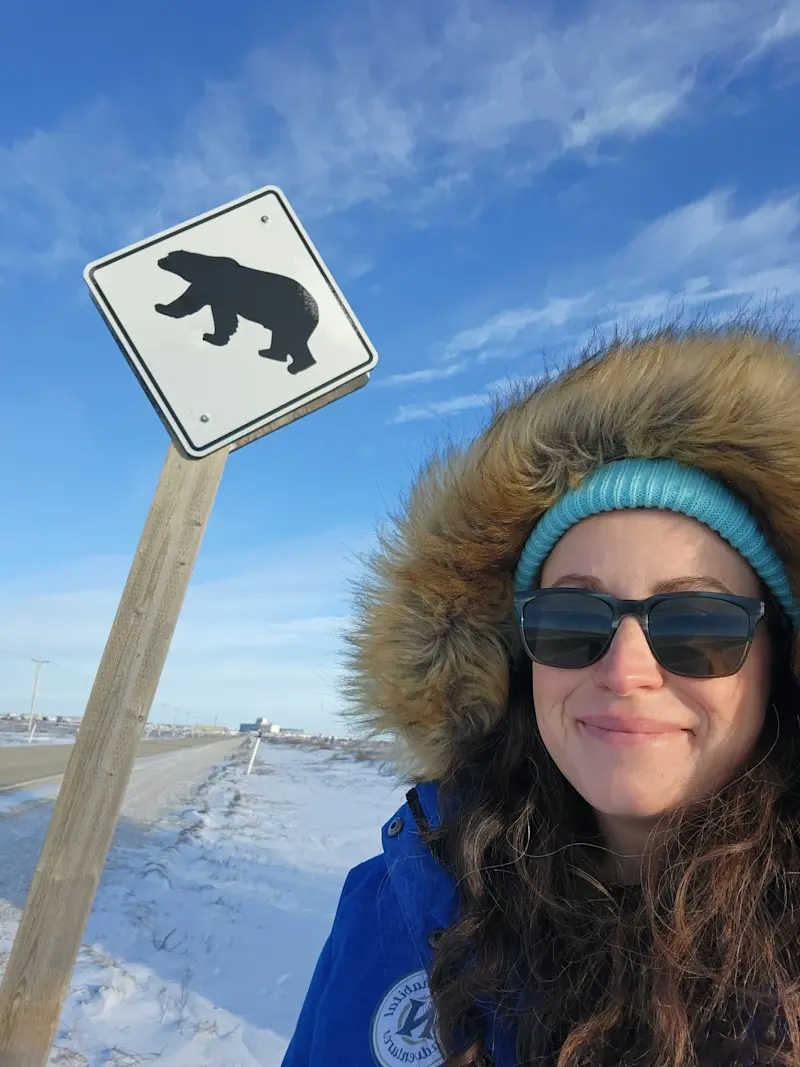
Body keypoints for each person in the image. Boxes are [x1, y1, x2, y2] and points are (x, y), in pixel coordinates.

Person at [281, 321, 800, 1067]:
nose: (626, 670)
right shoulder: (391, 903)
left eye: (696, 622)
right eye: (570, 621)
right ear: (521, 658)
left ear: (775, 655)